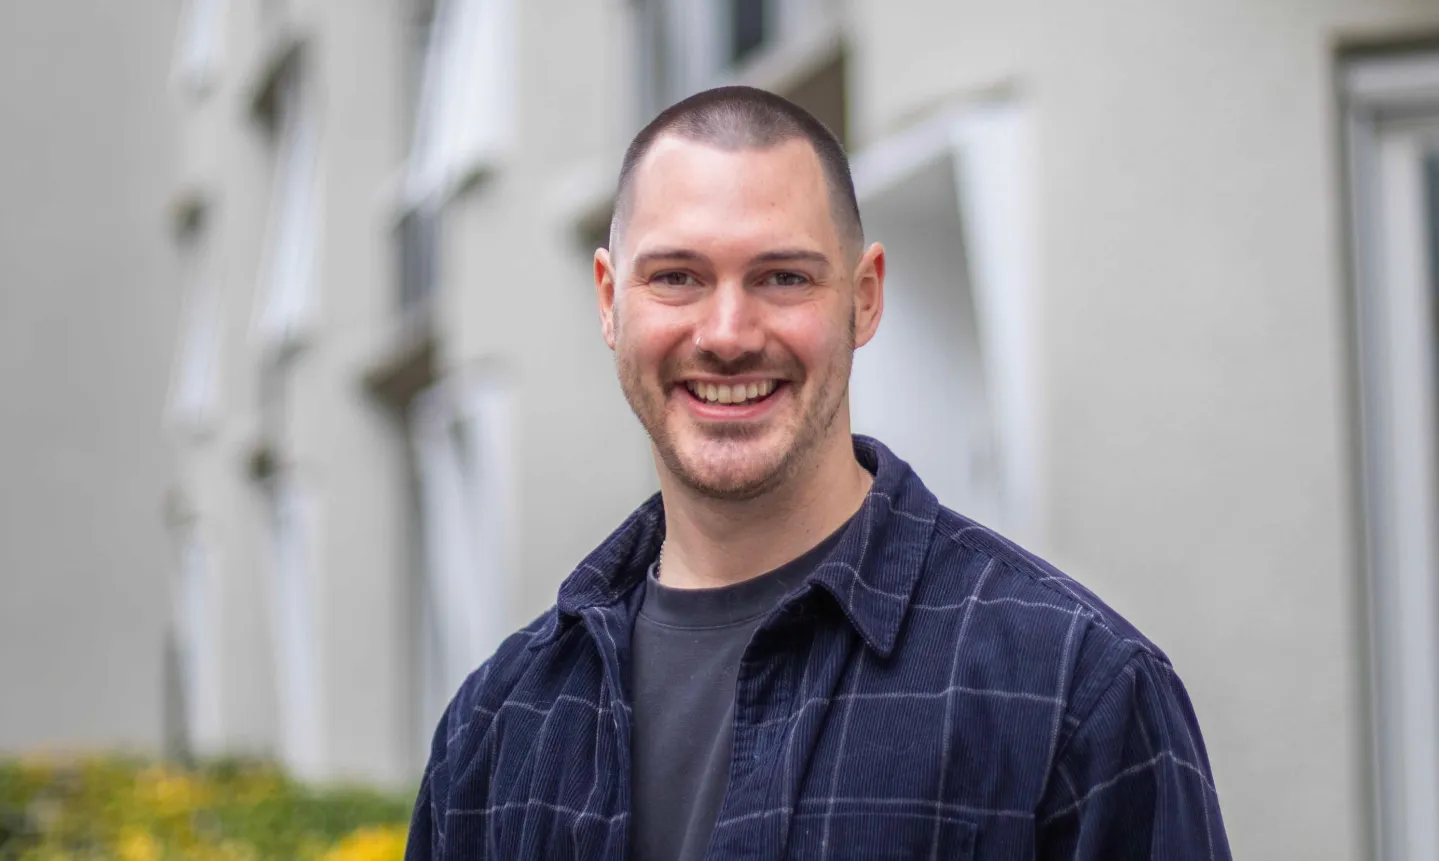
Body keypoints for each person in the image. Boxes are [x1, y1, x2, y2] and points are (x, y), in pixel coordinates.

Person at [405, 86, 1230, 860]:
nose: (726, 332)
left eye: (783, 276)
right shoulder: (497, 724)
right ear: (608, 301)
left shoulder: (1074, 692)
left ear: (864, 297)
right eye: (677, 277)